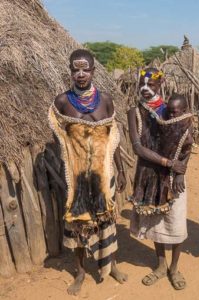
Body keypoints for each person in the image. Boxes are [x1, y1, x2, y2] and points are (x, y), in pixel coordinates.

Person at [48, 49, 127, 295]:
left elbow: (112, 138)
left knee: (107, 220)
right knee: (79, 226)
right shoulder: (61, 103)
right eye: (75, 69)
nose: (80, 74)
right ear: (70, 71)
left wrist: (121, 170)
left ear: (93, 70)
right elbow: (62, 143)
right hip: (78, 178)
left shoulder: (106, 101)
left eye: (85, 69)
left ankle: (110, 264)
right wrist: (70, 170)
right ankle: (81, 271)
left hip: (104, 174)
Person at [128, 69, 193, 290]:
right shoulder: (134, 112)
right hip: (149, 174)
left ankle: (174, 268)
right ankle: (160, 265)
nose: (145, 89)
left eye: (151, 85)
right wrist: (167, 163)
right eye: (141, 84)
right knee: (155, 222)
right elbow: (137, 148)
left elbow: (186, 144)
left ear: (161, 84)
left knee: (175, 221)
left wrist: (180, 173)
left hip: (173, 178)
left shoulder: (173, 110)